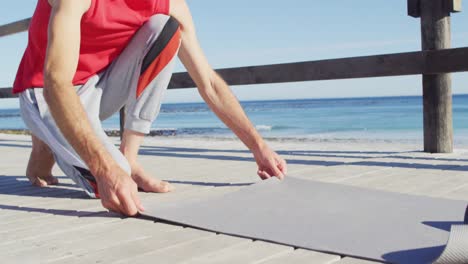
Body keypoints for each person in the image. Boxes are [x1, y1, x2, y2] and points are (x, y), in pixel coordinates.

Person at [13, 0, 288, 216]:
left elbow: (210, 84)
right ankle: (47, 137)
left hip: (99, 87)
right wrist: (107, 170)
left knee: (166, 27)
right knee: (110, 180)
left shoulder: (171, 3)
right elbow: (56, 83)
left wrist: (258, 146)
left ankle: (127, 157)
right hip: (47, 91)